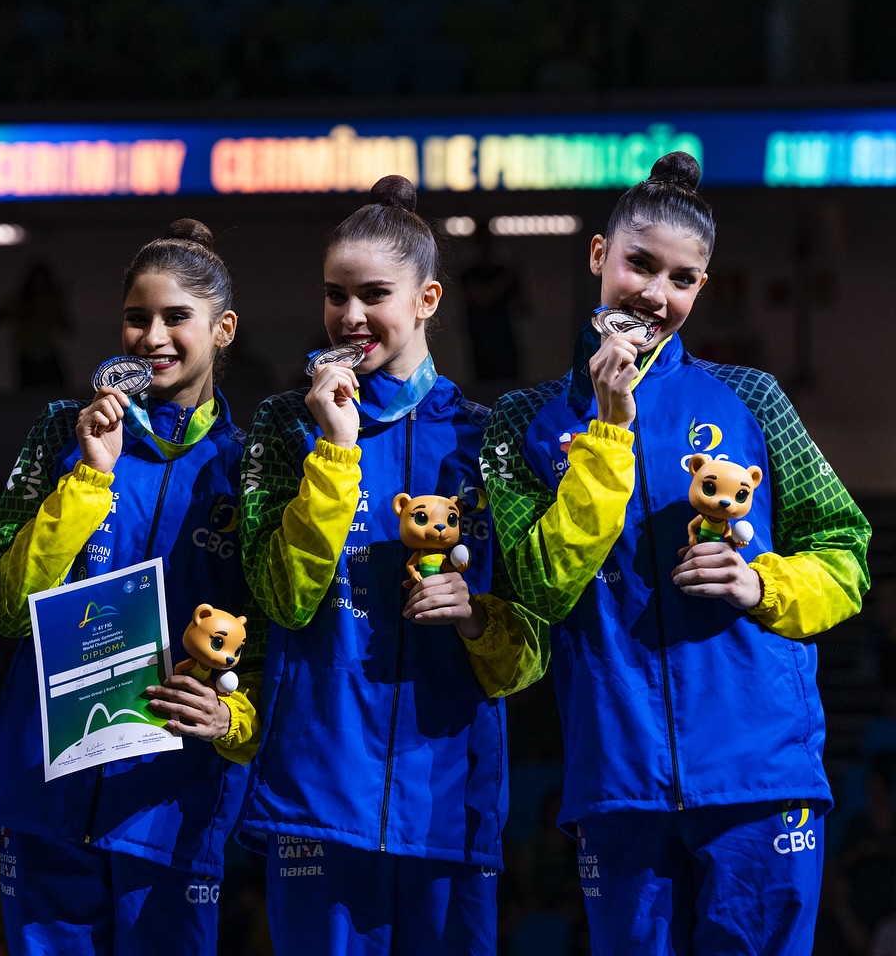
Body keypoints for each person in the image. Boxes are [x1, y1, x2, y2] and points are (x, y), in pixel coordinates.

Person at [482, 152, 871, 955]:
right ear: (598, 256)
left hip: (759, 776)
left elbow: (848, 556)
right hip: (619, 779)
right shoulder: (520, 424)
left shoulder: (753, 398)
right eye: (639, 265)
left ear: (703, 287)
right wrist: (610, 431)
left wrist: (761, 582)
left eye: (683, 280)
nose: (656, 296)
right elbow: (539, 586)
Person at [238, 176, 545, 955]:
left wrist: (477, 616)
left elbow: (532, 649)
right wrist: (336, 451)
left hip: (449, 796)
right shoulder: (284, 424)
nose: (349, 317)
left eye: (373, 294)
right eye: (334, 295)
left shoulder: (487, 437)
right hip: (316, 791)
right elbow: (281, 598)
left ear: (428, 299)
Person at [0, 219, 261, 956]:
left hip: (169, 801)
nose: (152, 336)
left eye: (176, 318)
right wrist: (90, 473)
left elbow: (273, 632)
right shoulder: (57, 436)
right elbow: (8, 604)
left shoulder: (247, 467)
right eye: (137, 317)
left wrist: (234, 723)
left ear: (223, 329)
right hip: (46, 789)